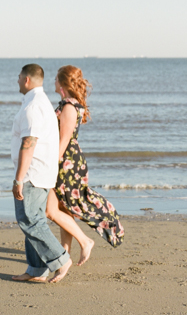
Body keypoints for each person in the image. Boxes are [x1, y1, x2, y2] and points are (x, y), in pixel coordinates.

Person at [44, 65, 124, 258]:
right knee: (63, 208)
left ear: (63, 83)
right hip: (68, 161)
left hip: (66, 163)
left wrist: (51, 166)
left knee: (50, 210)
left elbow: (63, 140)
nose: (53, 81)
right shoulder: (66, 104)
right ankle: (66, 251)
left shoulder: (69, 107)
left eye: (56, 78)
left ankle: (85, 241)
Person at [10, 63, 72, 283]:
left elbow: (29, 142)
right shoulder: (39, 102)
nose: (17, 81)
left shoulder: (34, 106)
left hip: (33, 174)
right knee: (33, 220)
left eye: (19, 77)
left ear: (26, 79)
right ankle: (36, 270)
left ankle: (61, 259)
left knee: (29, 220)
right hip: (41, 172)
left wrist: (19, 178)